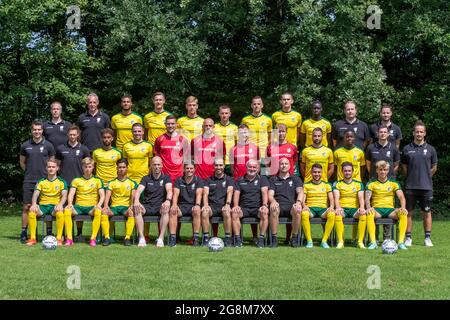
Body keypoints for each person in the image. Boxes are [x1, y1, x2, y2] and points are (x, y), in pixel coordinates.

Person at [401, 121, 438, 247]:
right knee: (408, 213)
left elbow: (434, 167)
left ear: (425, 133)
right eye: (417, 131)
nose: (419, 134)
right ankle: (408, 238)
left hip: (426, 187)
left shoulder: (431, 149)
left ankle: (427, 238)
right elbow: (404, 167)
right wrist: (411, 177)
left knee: (426, 212)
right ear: (413, 133)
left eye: (421, 131)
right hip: (410, 186)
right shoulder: (406, 148)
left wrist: (426, 176)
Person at [19, 120, 56, 242]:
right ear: (31, 131)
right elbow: (22, 162)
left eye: (39, 129)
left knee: (46, 206)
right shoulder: (25, 145)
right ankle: (24, 232)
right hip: (29, 180)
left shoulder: (49, 145)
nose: (37, 131)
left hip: (45, 181)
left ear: (42, 130)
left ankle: (49, 232)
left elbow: (52, 163)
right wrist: (29, 171)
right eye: (35, 129)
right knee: (27, 207)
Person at [55, 125, 90, 242]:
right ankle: (65, 234)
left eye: (74, 134)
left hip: (79, 184)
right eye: (70, 134)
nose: (72, 136)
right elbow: (57, 165)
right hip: (65, 183)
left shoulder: (84, 149)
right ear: (67, 135)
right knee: (65, 209)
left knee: (78, 209)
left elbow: (87, 165)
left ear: (78, 135)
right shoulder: (60, 148)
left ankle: (79, 234)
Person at [365, 161, 408, 250]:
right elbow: (367, 198)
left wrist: (403, 207)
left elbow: (401, 197)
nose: (383, 172)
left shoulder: (393, 183)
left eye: (385, 170)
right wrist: (368, 207)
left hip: (390, 210)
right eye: (380, 170)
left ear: (388, 171)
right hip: (377, 210)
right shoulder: (371, 183)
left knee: (403, 213)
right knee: (369, 213)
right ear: (377, 170)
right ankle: (373, 242)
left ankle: (400, 243)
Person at [26, 160, 68, 246]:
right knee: (31, 212)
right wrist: (34, 204)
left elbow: (64, 195)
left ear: (57, 168)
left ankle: (59, 239)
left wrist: (60, 204)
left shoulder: (62, 181)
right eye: (49, 167)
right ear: (46, 168)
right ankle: (33, 238)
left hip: (54, 207)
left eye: (53, 167)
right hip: (43, 207)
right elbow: (35, 194)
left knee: (60, 213)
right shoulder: (41, 181)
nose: (51, 169)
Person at [65, 157, 105, 247]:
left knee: (98, 211)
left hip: (91, 207)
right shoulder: (76, 180)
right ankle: (69, 238)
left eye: (89, 167)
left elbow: (102, 195)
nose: (87, 169)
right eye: (85, 167)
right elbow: (71, 194)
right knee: (67, 211)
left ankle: (93, 238)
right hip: (78, 207)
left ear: (93, 167)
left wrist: (99, 205)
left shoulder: (98, 180)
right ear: (82, 167)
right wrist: (70, 203)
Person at [133, 156, 173, 247]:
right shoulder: (146, 178)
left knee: (166, 209)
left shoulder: (166, 178)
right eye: (154, 165)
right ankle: (142, 238)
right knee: (137, 208)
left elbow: (170, 190)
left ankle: (161, 238)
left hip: (160, 206)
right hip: (147, 206)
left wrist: (167, 201)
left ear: (162, 165)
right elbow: (138, 190)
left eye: (158, 164)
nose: (156, 167)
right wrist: (136, 200)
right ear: (151, 166)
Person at [231, 160, 269, 248]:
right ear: (246, 167)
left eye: (254, 167)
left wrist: (264, 205)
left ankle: (261, 239)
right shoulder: (240, 180)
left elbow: (264, 192)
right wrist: (236, 206)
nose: (252, 169)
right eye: (250, 167)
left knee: (265, 212)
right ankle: (237, 239)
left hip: (257, 208)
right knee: (234, 212)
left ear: (258, 169)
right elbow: (236, 194)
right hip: (244, 208)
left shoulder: (262, 179)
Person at [268, 158, 304, 247]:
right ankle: (274, 238)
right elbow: (270, 194)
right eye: (282, 164)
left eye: (286, 164)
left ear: (289, 165)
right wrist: (272, 201)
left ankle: (294, 238)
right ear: (278, 166)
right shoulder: (273, 179)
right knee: (273, 208)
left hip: (291, 206)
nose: (284, 165)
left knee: (298, 210)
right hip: (279, 206)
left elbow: (300, 192)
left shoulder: (296, 178)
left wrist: (299, 202)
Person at [102, 159, 137, 246]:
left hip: (125, 207)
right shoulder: (112, 183)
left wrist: (131, 206)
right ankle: (107, 237)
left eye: (123, 167)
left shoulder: (132, 183)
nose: (121, 169)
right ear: (117, 168)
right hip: (114, 207)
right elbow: (107, 196)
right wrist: (106, 206)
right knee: (104, 212)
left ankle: (127, 238)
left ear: (127, 168)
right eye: (120, 167)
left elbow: (133, 198)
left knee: (131, 213)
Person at [168, 162, 204, 247]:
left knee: (197, 211)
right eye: (187, 168)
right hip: (181, 206)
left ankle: (195, 238)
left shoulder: (199, 180)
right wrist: (174, 205)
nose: (189, 170)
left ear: (194, 169)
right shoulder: (179, 180)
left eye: (191, 168)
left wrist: (197, 205)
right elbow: (175, 194)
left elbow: (199, 194)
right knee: (173, 211)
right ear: (184, 169)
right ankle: (173, 238)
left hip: (192, 206)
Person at [332, 162, 366, 249]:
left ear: (353, 171)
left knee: (363, 214)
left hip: (354, 210)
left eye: (349, 171)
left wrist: (362, 207)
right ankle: (340, 241)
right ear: (342, 172)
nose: (347, 172)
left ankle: (360, 241)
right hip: (343, 209)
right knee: (338, 215)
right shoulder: (337, 183)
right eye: (345, 171)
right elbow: (336, 197)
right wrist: (338, 207)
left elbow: (361, 198)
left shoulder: (359, 184)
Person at [300, 164, 335, 248]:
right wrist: (304, 206)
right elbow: (302, 200)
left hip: (323, 209)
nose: (317, 174)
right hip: (310, 208)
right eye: (315, 172)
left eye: (319, 172)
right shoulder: (306, 185)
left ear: (322, 173)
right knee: (304, 213)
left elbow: (331, 199)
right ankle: (309, 241)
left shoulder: (327, 185)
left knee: (332, 214)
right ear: (311, 173)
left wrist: (331, 207)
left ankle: (324, 241)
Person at [202, 158, 235, 247]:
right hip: (211, 207)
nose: (218, 167)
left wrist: (227, 204)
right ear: (214, 166)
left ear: (224, 166)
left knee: (227, 212)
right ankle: (205, 238)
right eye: (216, 165)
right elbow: (205, 193)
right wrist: (205, 205)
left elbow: (230, 192)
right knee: (204, 212)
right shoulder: (208, 180)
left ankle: (228, 238)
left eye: (220, 165)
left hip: (223, 206)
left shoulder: (229, 179)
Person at [154, 115, 190, 182]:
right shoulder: (159, 139)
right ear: (165, 124)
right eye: (168, 124)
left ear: (176, 124)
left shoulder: (183, 140)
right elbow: (156, 157)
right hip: (163, 175)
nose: (170, 126)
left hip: (179, 175)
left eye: (172, 124)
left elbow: (186, 159)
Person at [241, 96, 272, 163]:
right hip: (250, 151)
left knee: (264, 172)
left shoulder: (268, 119)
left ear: (262, 105)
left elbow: (270, 136)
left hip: (264, 151)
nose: (256, 106)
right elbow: (241, 135)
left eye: (258, 104)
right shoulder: (245, 119)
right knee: (250, 171)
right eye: (254, 104)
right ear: (251, 105)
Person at [213, 104, 238, 175]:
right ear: (219, 114)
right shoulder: (214, 127)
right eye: (222, 113)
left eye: (226, 113)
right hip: (217, 161)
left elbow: (237, 145)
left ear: (230, 114)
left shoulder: (235, 127)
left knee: (231, 182)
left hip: (230, 161)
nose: (224, 115)